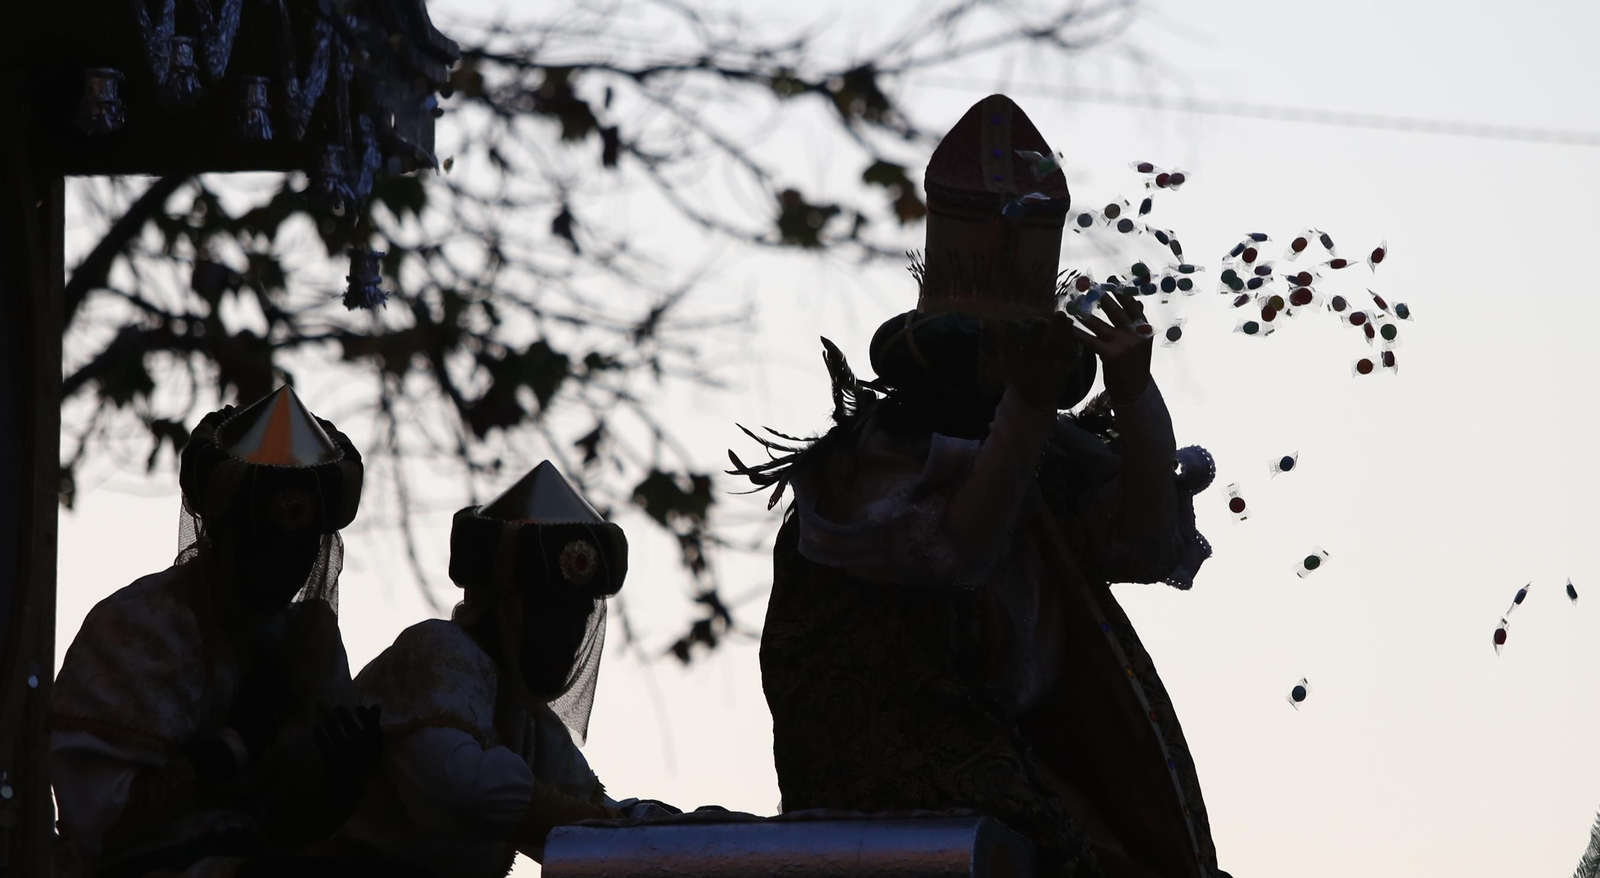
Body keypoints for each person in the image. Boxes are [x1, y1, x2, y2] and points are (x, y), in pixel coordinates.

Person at [735, 94, 1227, 878]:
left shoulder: (1042, 461)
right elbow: (954, 551)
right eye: (994, 358)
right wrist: (1028, 412)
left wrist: (1134, 393)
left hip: (1013, 776)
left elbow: (1145, 542)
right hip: (890, 795)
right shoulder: (874, 457)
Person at [50, 386, 382, 878]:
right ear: (220, 531)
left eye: (301, 548)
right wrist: (238, 740)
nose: (284, 567)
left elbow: (280, 830)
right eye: (263, 543)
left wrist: (341, 786)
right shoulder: (140, 627)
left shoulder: (305, 644)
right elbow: (100, 822)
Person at [340, 461, 674, 878]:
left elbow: (594, 811)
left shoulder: (528, 719)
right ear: (502, 604)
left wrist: (682, 828)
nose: (569, 634)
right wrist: (618, 826)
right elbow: (468, 788)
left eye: (579, 616)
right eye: (552, 611)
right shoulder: (435, 651)